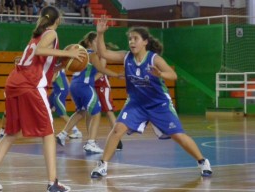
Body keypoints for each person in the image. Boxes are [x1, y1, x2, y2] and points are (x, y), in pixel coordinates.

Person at [90, 16, 213, 178]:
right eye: (130, 39)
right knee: (117, 130)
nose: (132, 42)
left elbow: (173, 75)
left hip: (158, 104)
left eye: (135, 39)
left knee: (178, 135)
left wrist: (160, 73)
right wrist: (100, 34)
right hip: (136, 103)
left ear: (145, 42)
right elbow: (103, 53)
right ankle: (103, 165)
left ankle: (202, 161)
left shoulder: (155, 59)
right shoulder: (126, 57)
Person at [0, 6, 86, 192]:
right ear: (57, 20)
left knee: (11, 132)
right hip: (29, 85)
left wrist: (63, 64)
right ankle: (53, 183)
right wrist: (69, 53)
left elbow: (42, 63)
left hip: (14, 83)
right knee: (48, 133)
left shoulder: (36, 36)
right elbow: (40, 52)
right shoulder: (50, 33)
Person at [56, 31, 122, 153]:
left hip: (74, 85)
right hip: (85, 86)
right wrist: (117, 75)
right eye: (96, 41)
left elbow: (63, 63)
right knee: (96, 113)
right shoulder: (92, 55)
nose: (99, 44)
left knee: (81, 111)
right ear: (89, 42)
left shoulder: (79, 53)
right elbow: (102, 69)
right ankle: (91, 143)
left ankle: (62, 134)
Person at [94, 43, 122, 150]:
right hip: (95, 86)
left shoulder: (102, 57)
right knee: (92, 113)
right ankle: (91, 141)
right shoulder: (93, 56)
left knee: (109, 112)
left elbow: (101, 73)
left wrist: (88, 81)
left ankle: (118, 139)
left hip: (102, 86)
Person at [49, 69, 83, 139]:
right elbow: (66, 81)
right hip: (56, 92)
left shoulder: (55, 70)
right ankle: (45, 128)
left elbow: (51, 80)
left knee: (62, 114)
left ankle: (76, 131)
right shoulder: (61, 70)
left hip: (59, 93)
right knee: (47, 110)